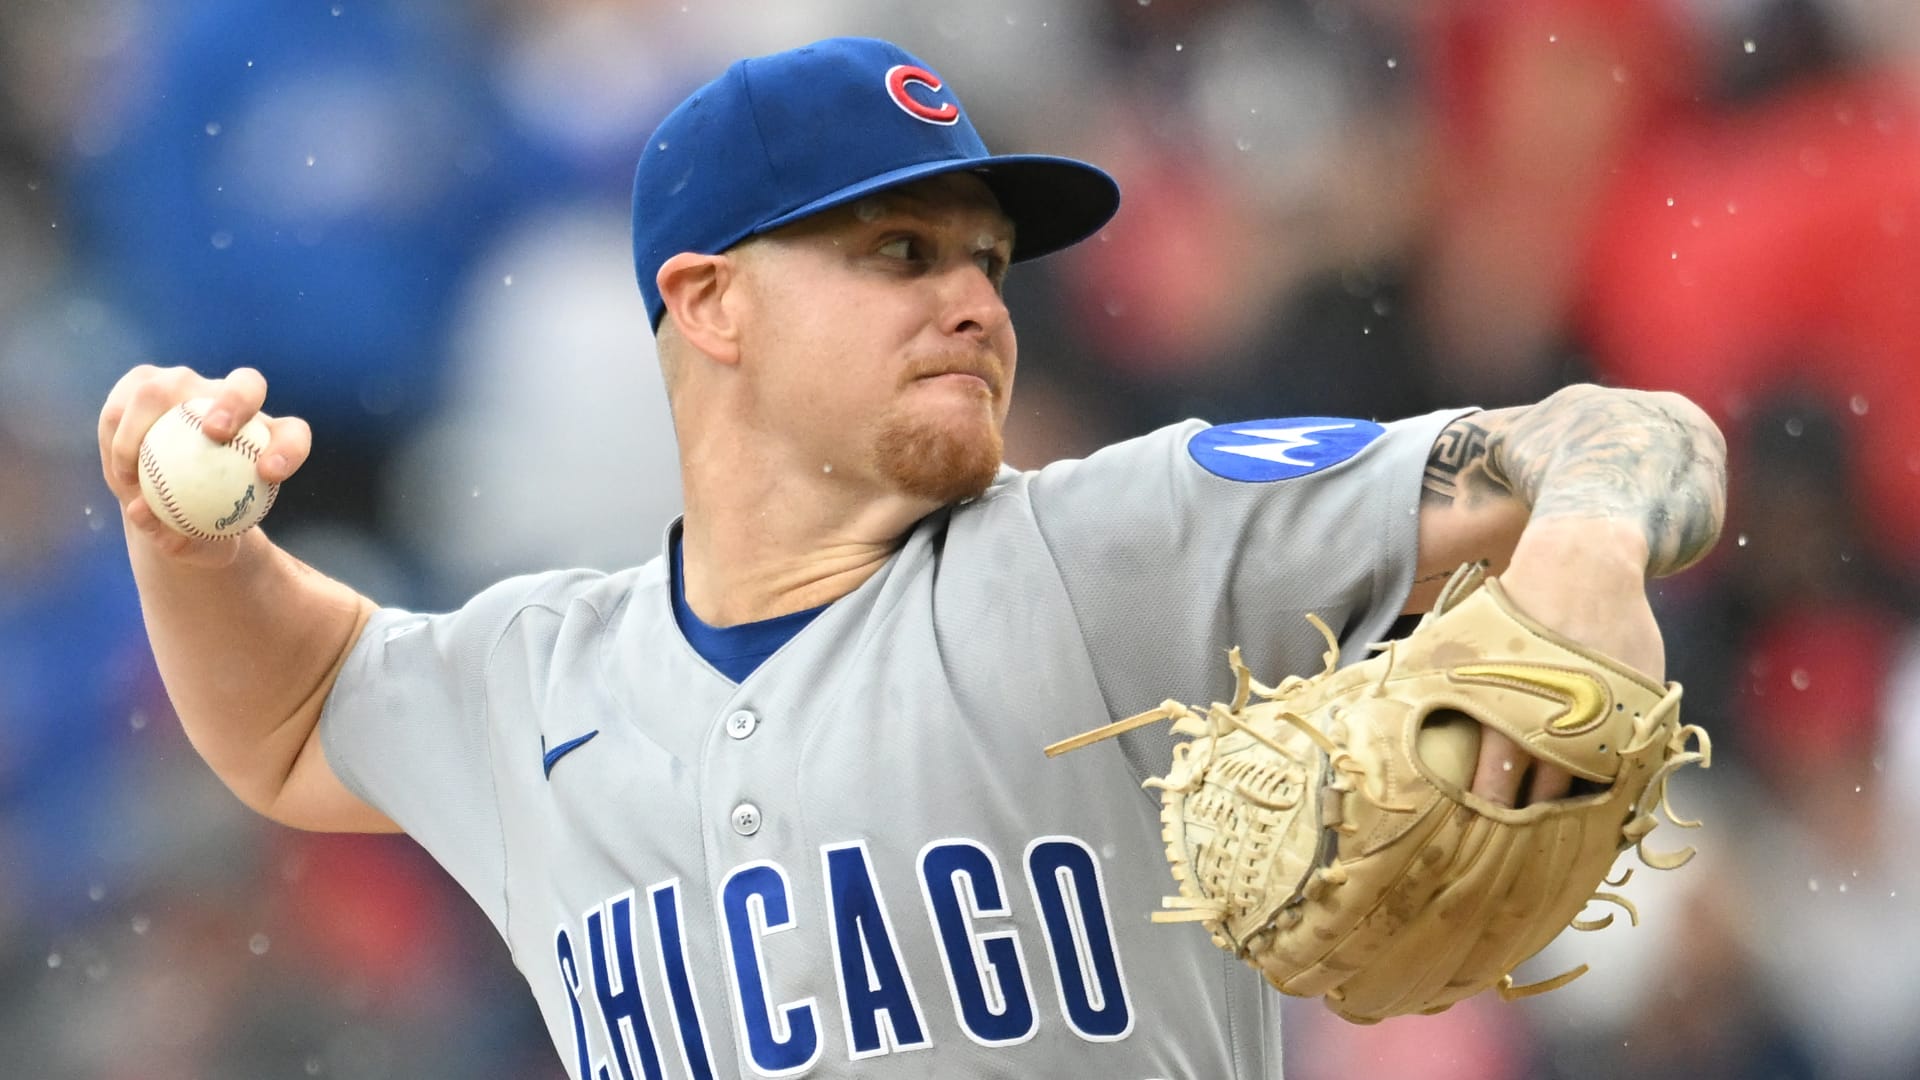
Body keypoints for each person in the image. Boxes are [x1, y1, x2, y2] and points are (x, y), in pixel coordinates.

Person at [97, 37, 1727, 1080]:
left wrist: (1582, 550)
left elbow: (1622, 432)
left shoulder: (1114, 543)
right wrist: (186, 542)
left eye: (986, 260)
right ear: (708, 302)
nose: (975, 300)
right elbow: (293, 713)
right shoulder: (541, 680)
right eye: (897, 252)